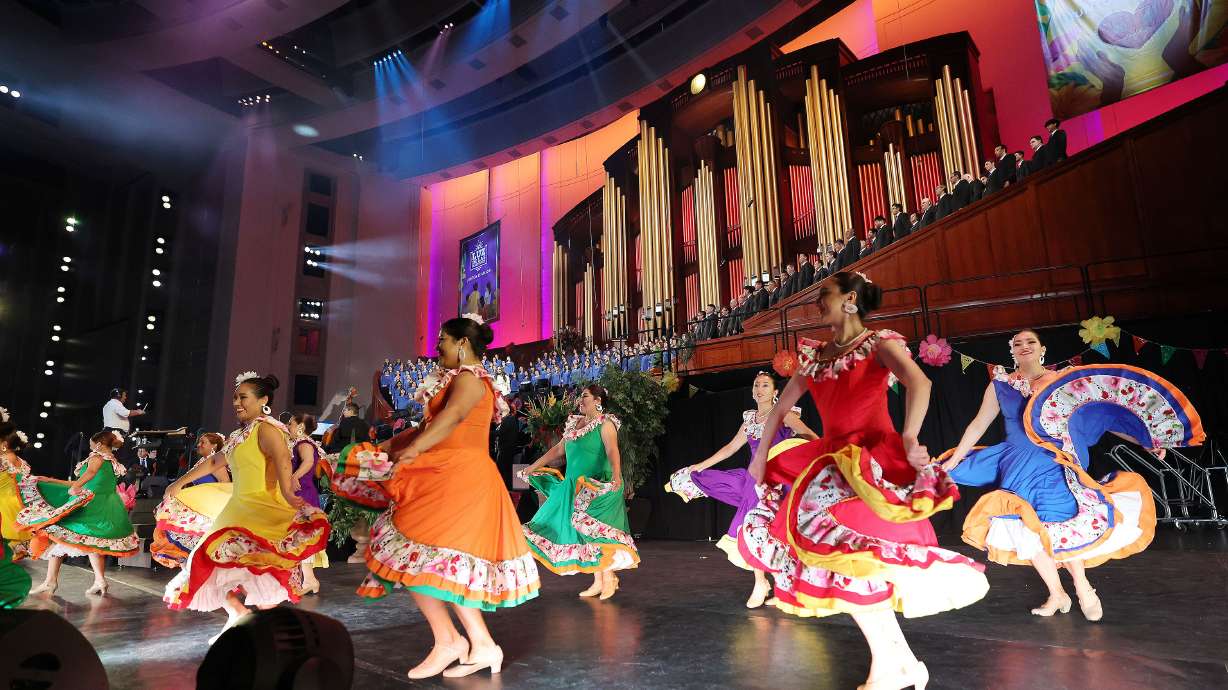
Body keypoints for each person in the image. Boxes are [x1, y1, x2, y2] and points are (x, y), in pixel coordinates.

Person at [742, 272, 988, 689]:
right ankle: (899, 663)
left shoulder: (878, 343)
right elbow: (780, 409)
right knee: (844, 560)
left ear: (851, 299)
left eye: (826, 295)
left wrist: (909, 436)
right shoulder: (814, 357)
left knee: (857, 558)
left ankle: (896, 667)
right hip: (831, 465)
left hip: (872, 462)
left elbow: (920, 382)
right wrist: (761, 456)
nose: (820, 303)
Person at [940, 329, 1200, 621]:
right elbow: (977, 426)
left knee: (1062, 519)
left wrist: (1145, 441)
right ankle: (1056, 593)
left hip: (1054, 459)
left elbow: (1103, 416)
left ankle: (1083, 587)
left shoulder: (1063, 381)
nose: (1024, 347)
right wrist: (957, 459)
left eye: (1030, 342)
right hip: (1017, 463)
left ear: (1042, 349)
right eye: (1018, 343)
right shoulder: (999, 385)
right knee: (1026, 528)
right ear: (1011, 351)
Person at [350, 316, 539, 679]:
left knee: (414, 553)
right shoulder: (455, 380)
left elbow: (450, 419)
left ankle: (452, 641)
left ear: (462, 344)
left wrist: (412, 449)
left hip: (461, 477)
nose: (437, 348)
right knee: (428, 560)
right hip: (444, 474)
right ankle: (478, 644)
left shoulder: (471, 379)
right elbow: (426, 427)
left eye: (443, 342)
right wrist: (384, 448)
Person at [163, 373, 329, 644]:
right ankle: (240, 615)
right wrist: (179, 483)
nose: (236, 402)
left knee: (261, 571)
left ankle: (271, 631)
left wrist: (288, 490)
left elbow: (283, 460)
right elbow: (215, 460)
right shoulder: (239, 435)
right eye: (235, 397)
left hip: (262, 507)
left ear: (263, 400)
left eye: (243, 397)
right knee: (202, 563)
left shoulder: (268, 428)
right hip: (238, 508)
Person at [665, 372, 817, 608]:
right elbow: (729, 448)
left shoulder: (784, 414)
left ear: (776, 392)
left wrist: (806, 453)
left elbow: (810, 436)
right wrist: (699, 466)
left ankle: (782, 584)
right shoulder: (750, 420)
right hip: (753, 481)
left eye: (765, 385)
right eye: (756, 385)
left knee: (776, 531)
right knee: (749, 525)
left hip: (776, 482)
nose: (759, 388)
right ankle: (760, 582)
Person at [520, 385, 638, 600]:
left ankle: (609, 577)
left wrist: (617, 476)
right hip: (573, 485)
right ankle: (598, 580)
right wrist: (533, 466)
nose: (580, 401)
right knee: (580, 531)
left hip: (594, 484)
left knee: (595, 530)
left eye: (585, 396)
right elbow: (557, 450)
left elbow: (612, 450)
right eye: (580, 397)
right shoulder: (574, 424)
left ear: (598, 400)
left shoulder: (606, 424)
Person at [20, 430, 139, 597]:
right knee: (91, 540)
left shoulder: (97, 457)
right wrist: (51, 480)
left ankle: (51, 582)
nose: (88, 445)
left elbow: (88, 476)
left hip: (92, 504)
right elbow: (84, 481)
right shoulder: (112, 461)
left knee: (59, 533)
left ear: (97, 444)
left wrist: (76, 487)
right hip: (105, 504)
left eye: (90, 442)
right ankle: (98, 580)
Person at [151, 432, 231, 569]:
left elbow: (225, 483)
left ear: (214, 446)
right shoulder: (202, 462)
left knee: (200, 546)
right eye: (199, 442)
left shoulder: (216, 463)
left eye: (203, 442)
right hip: (199, 506)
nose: (198, 445)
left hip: (208, 509)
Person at [289, 413, 328, 595]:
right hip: (301, 493)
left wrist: (295, 475)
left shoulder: (303, 444)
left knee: (302, 535)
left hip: (303, 494)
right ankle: (309, 579)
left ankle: (310, 580)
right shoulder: (300, 444)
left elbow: (309, 461)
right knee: (298, 536)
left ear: (301, 427)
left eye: (291, 423)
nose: (288, 426)